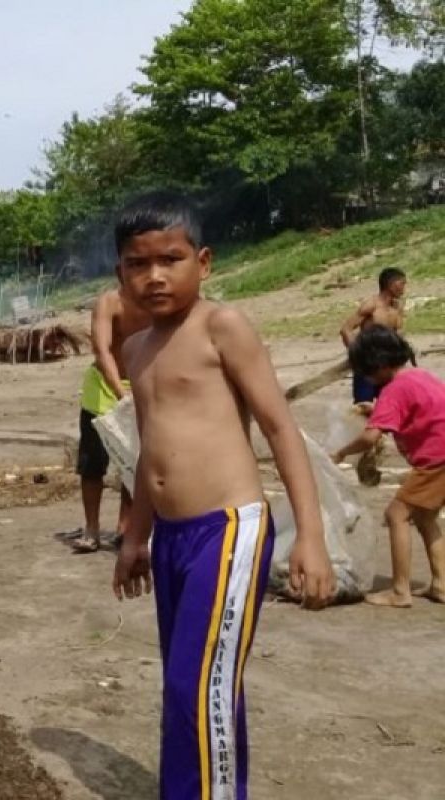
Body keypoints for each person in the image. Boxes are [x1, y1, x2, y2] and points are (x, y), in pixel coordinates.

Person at [109, 192, 334, 800]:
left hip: (228, 531)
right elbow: (151, 450)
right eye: (138, 263)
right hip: (171, 538)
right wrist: (135, 537)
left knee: (197, 687)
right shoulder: (135, 350)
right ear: (120, 273)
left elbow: (281, 428)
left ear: (203, 262)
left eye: (171, 259)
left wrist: (309, 537)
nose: (155, 276)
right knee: (191, 685)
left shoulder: (221, 326)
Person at [331, 326, 445, 608]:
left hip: (436, 459)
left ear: (378, 364)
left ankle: (400, 590)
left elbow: (371, 437)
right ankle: (441, 584)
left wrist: (343, 452)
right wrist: (377, 409)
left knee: (396, 515)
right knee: (425, 517)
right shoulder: (418, 376)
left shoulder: (394, 390)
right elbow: (409, 407)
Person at [73, 283, 152, 553]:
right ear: (123, 272)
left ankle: (125, 526)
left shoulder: (159, 301)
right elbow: (102, 350)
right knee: (92, 463)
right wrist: (120, 392)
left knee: (134, 462)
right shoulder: (109, 302)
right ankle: (91, 528)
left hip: (142, 385)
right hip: (103, 390)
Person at [340, 267, 407, 406]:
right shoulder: (371, 305)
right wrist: (358, 354)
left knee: (391, 404)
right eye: (402, 284)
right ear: (391, 284)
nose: (404, 288)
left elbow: (398, 334)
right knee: (363, 406)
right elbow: (346, 329)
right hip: (368, 366)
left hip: (387, 366)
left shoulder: (397, 307)